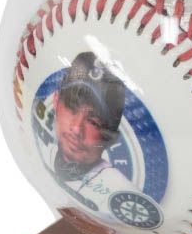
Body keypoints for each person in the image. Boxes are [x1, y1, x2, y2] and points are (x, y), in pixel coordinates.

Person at [32, 51, 131, 214]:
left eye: (94, 122)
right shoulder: (44, 149)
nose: (77, 129)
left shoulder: (121, 195)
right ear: (55, 101)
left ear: (111, 138)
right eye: (72, 108)